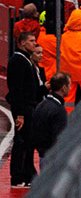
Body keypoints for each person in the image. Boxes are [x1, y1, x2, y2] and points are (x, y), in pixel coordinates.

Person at [9, 22, 45, 187]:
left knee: (28, 142)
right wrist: (20, 114)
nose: (34, 43)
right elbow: (17, 90)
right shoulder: (18, 61)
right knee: (21, 142)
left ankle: (26, 173)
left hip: (29, 107)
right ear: (22, 43)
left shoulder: (26, 61)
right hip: (23, 109)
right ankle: (17, 175)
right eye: (31, 41)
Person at [22, 73, 69, 180]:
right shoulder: (58, 110)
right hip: (53, 158)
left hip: (43, 154)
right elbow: (59, 138)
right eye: (69, 85)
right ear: (64, 88)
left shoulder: (41, 105)